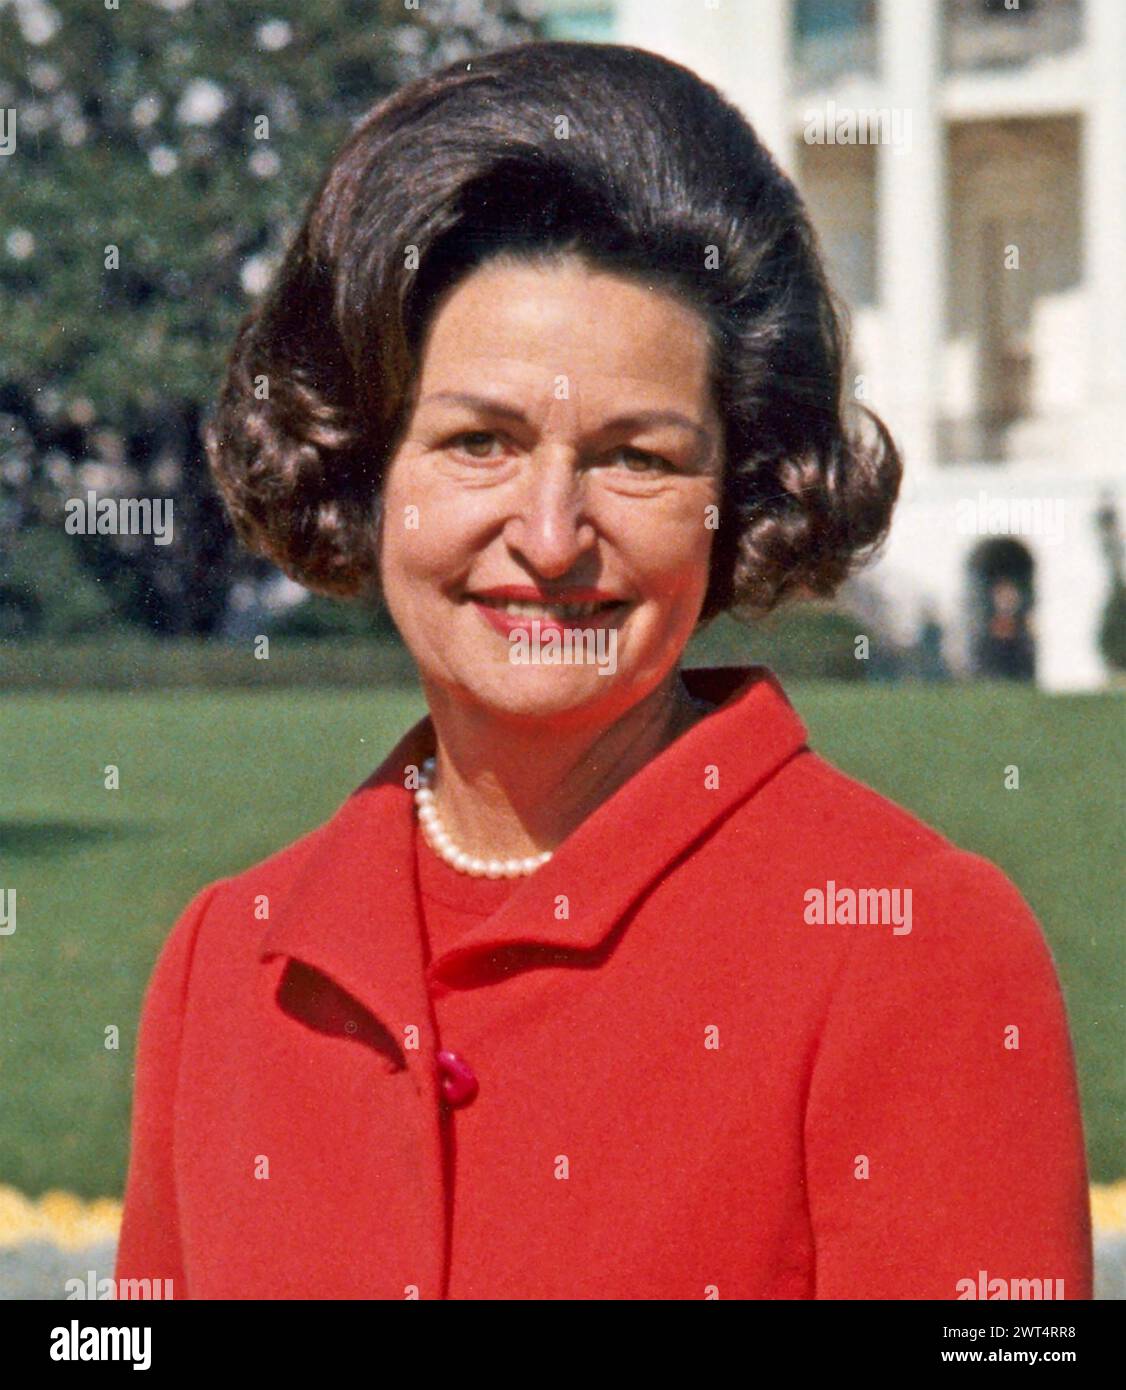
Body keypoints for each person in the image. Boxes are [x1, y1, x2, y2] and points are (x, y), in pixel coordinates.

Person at [115, 41, 1092, 1300]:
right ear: (368, 470)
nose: (551, 534)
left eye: (636, 457)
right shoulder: (226, 961)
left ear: (733, 498)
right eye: (479, 442)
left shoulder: (914, 942)